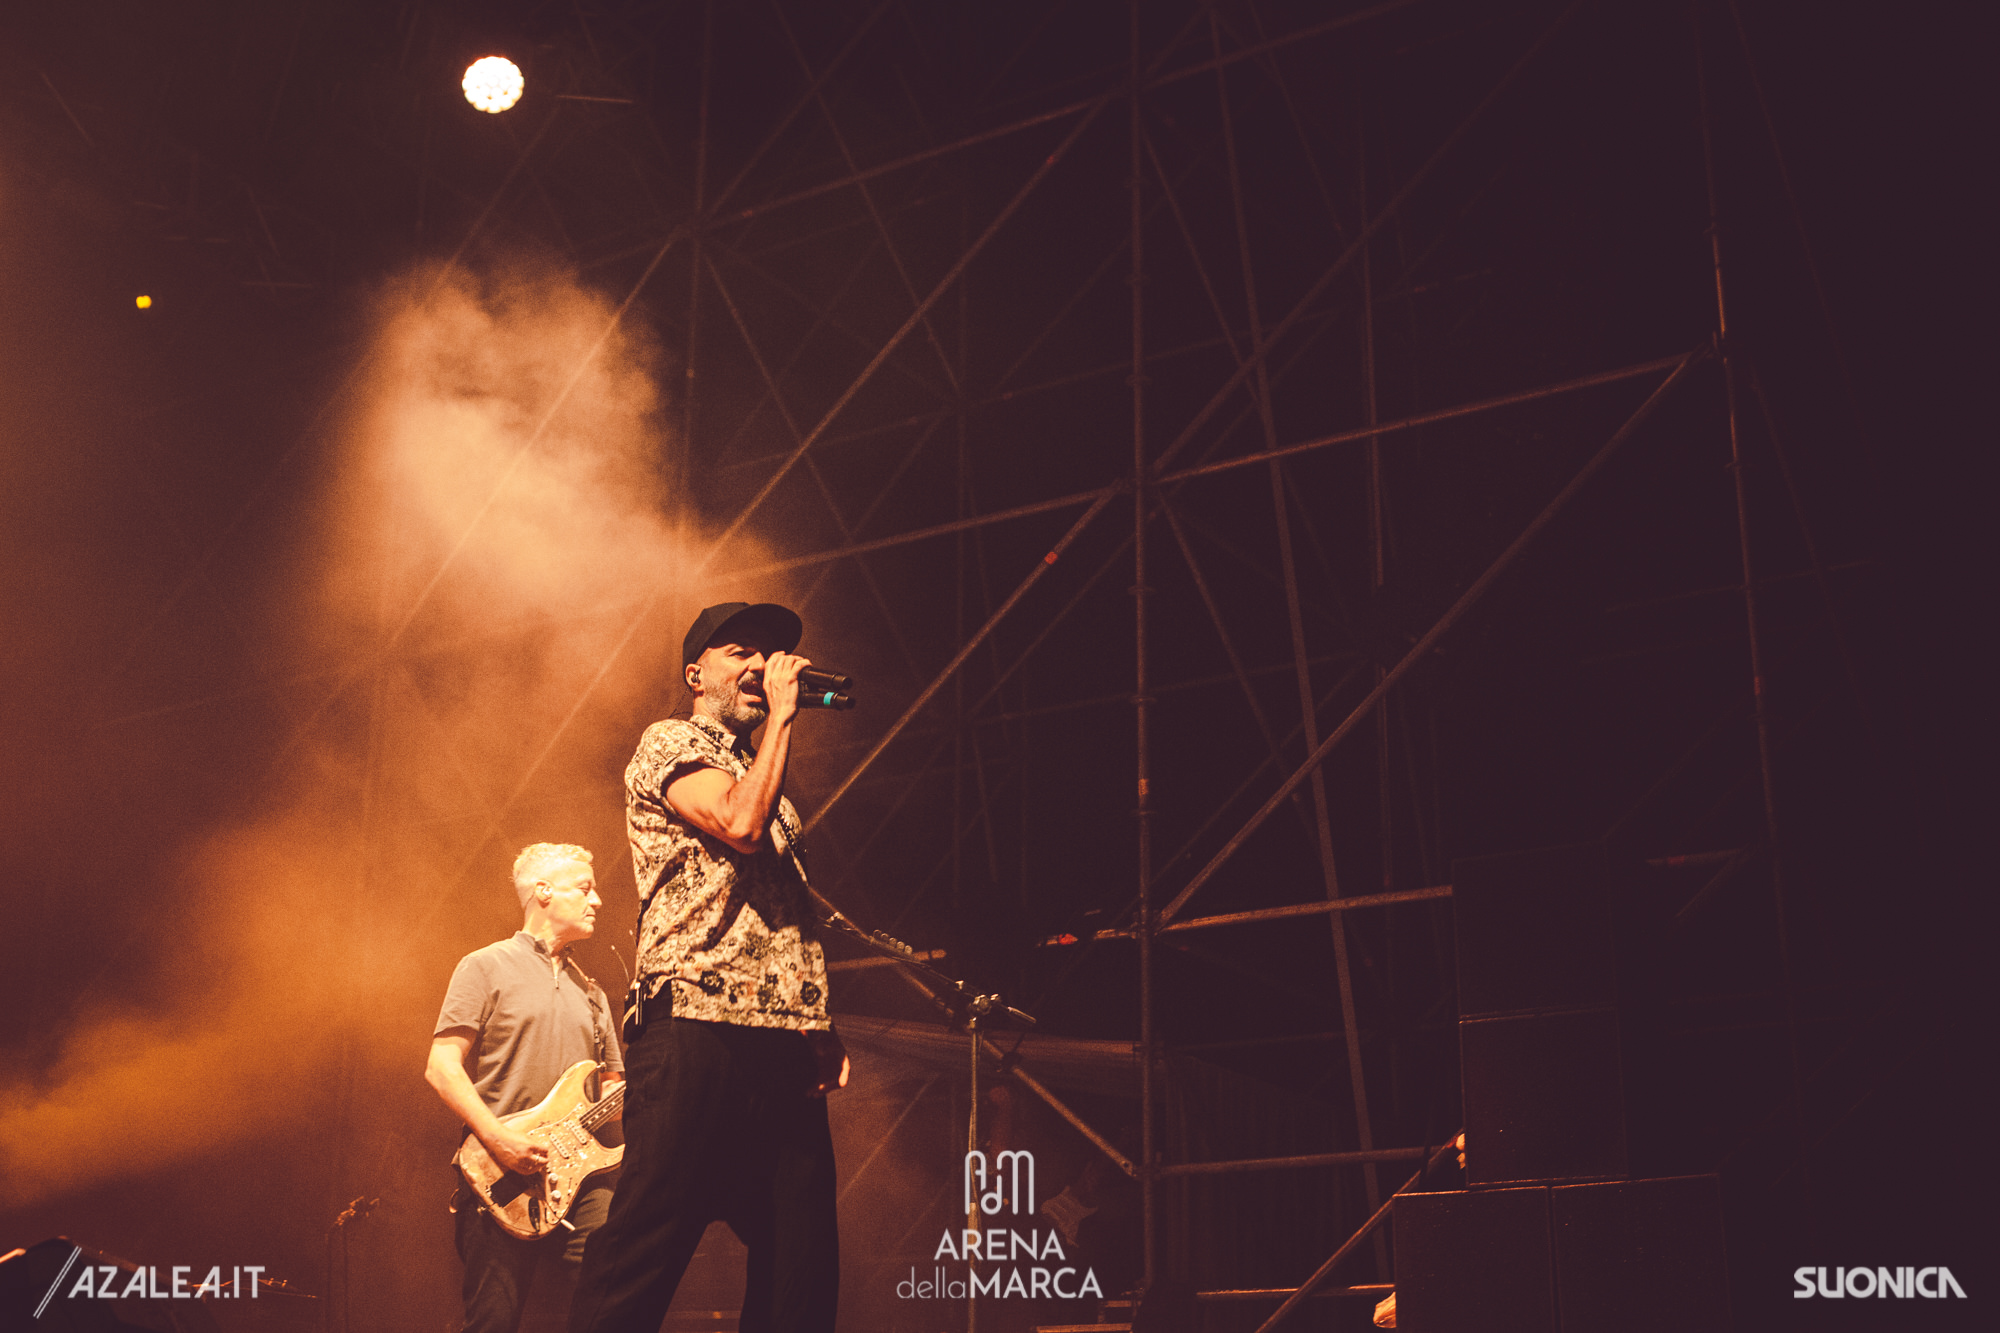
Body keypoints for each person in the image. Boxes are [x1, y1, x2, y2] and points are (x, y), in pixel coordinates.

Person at [570, 601, 848, 1333]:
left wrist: (817, 1022)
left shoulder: (767, 780)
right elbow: (738, 824)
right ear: (697, 674)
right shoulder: (670, 741)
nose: (762, 665)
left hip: (781, 1044)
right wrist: (783, 717)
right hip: (695, 1025)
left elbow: (785, 913)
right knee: (643, 1248)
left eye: (771, 654)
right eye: (741, 651)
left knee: (803, 1264)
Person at [426, 843, 626, 1333]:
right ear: (543, 891)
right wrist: (499, 1139)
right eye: (584, 888)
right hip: (498, 1175)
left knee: (613, 1295)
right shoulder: (484, 966)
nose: (597, 900)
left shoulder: (593, 993)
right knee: (493, 1321)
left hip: (582, 1177)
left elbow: (613, 1091)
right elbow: (441, 1067)